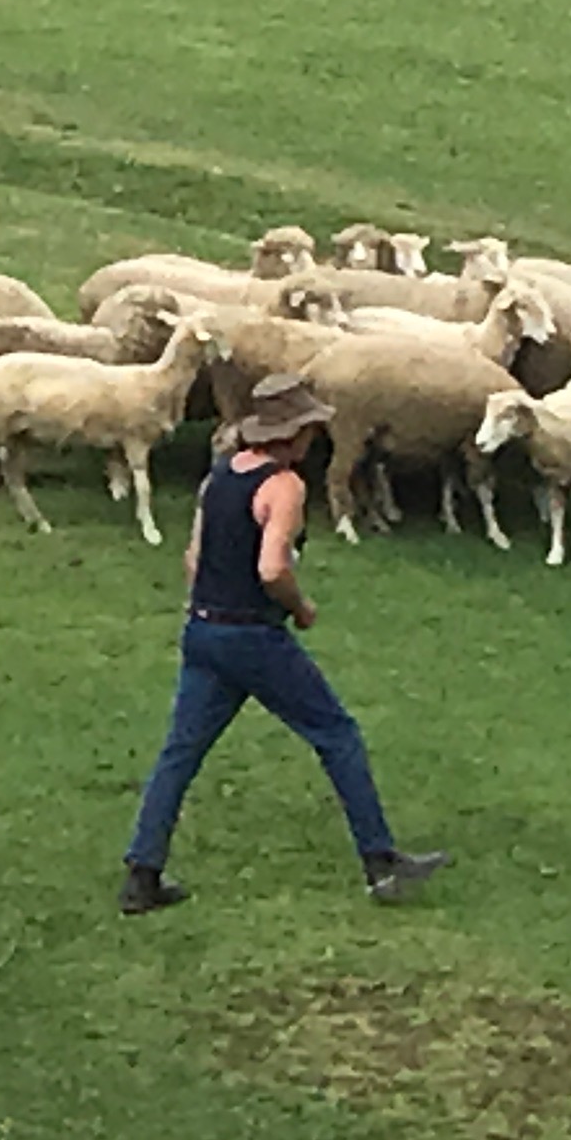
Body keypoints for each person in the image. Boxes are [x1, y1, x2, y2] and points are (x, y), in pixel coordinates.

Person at [120, 375, 448, 915]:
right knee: (336, 733)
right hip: (253, 635)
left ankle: (142, 874)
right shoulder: (285, 486)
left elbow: (193, 560)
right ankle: (380, 863)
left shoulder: (219, 478)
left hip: (204, 629)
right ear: (294, 433)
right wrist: (299, 607)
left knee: (180, 752)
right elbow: (272, 567)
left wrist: (205, 613)